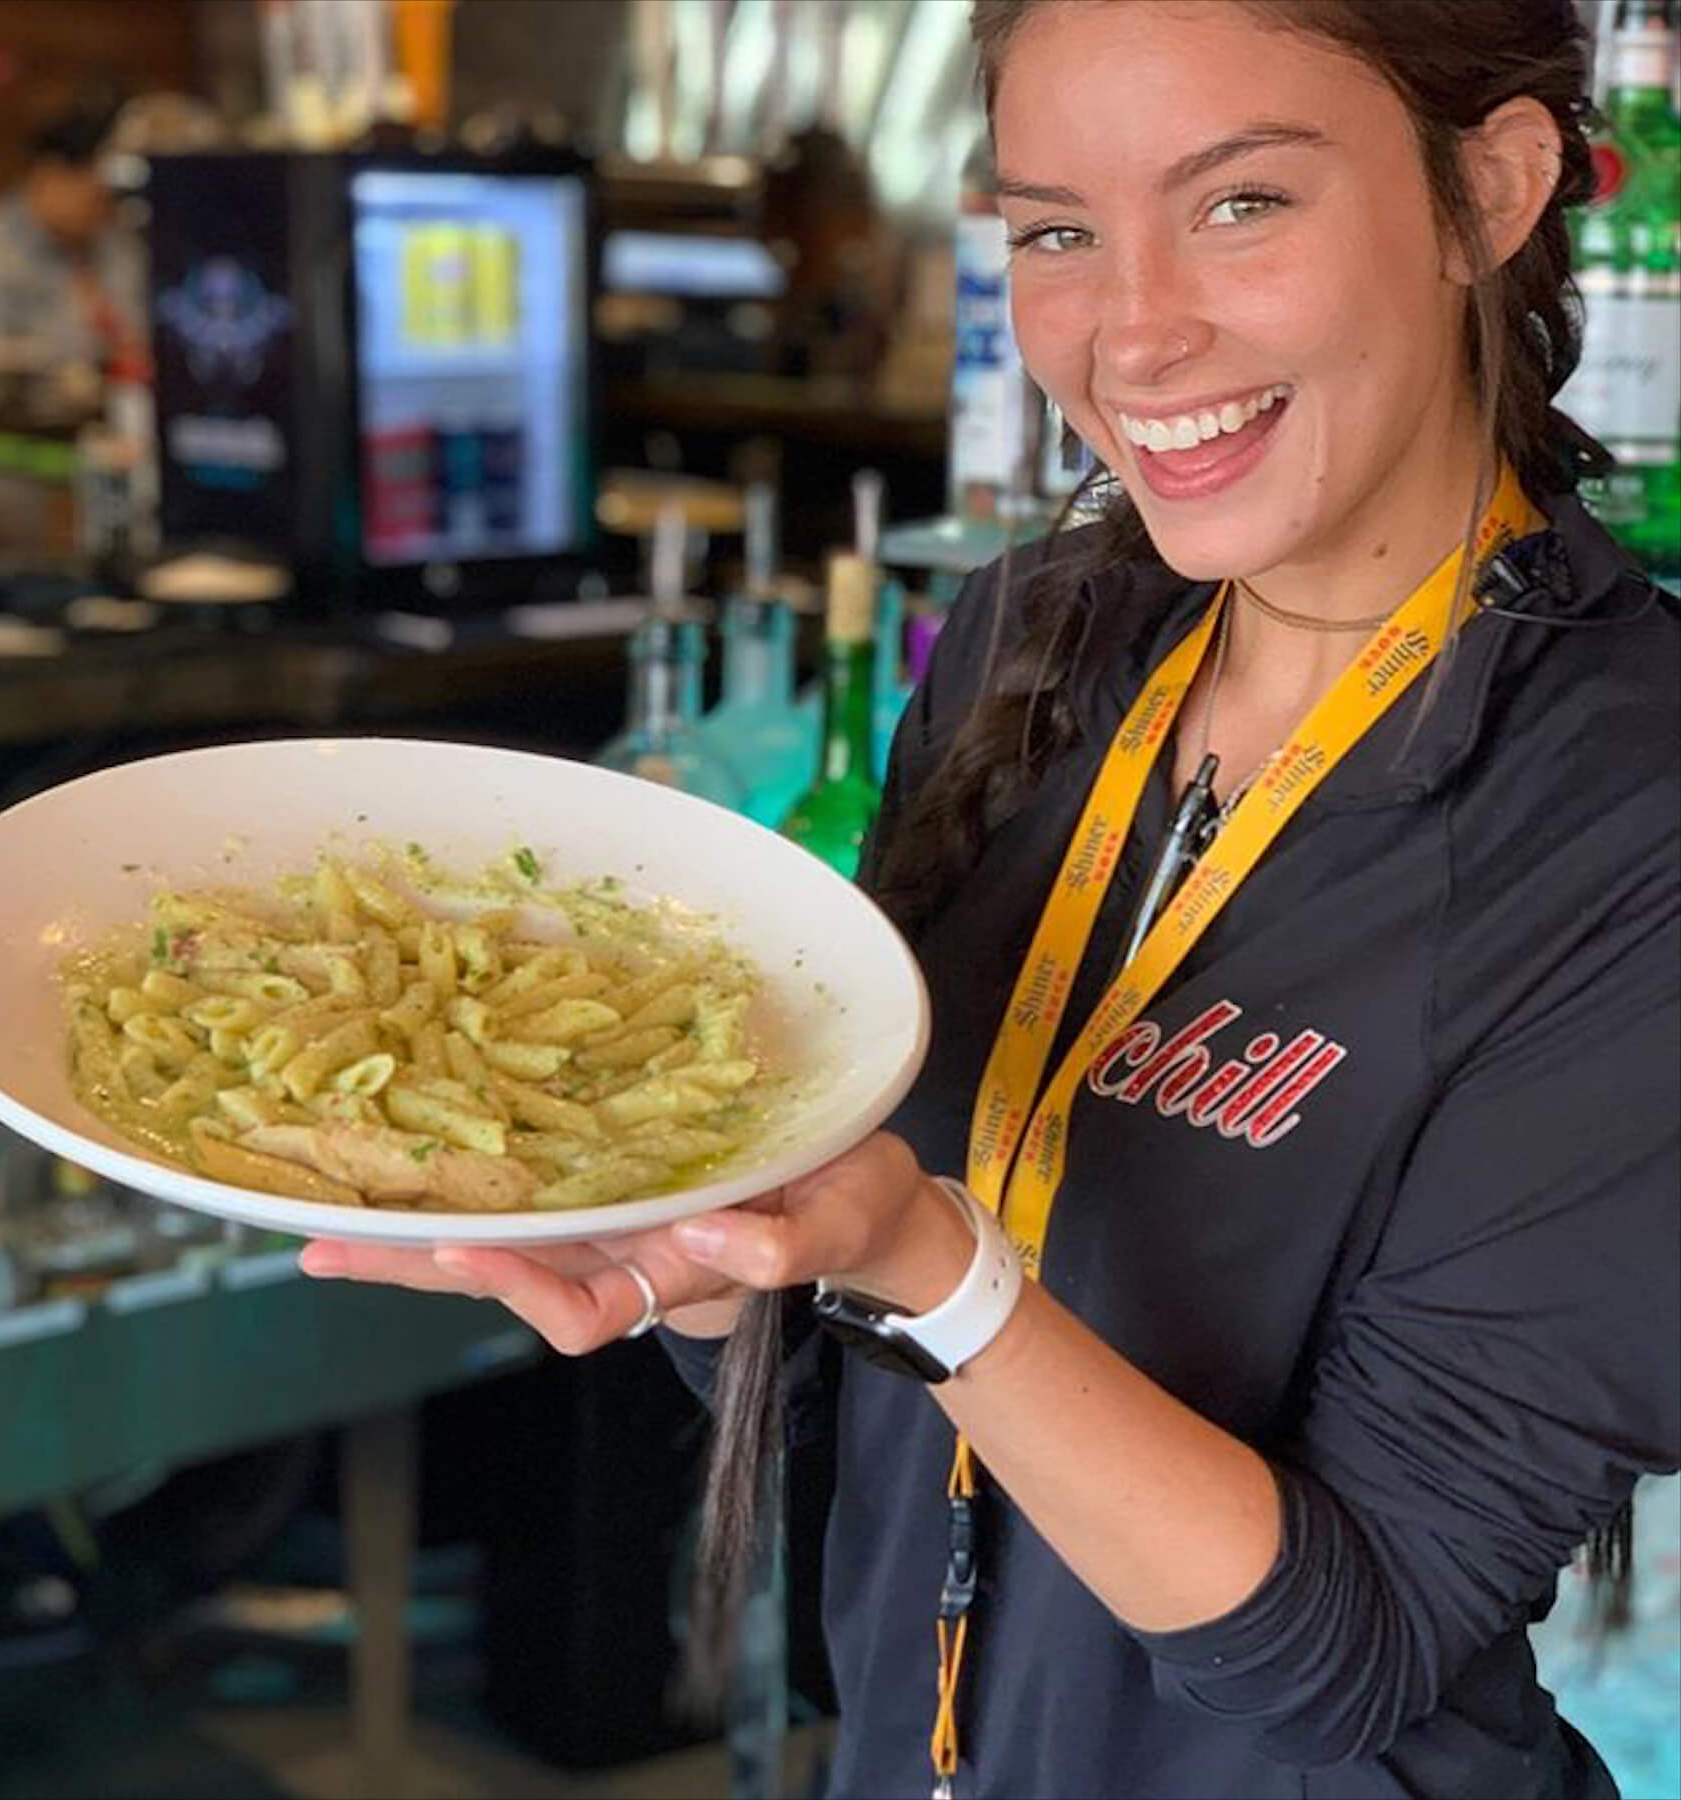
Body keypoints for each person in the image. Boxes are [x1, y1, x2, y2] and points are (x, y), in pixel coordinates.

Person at [298, 3, 1681, 1795]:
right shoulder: (1038, 645)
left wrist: (932, 1270)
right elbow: (860, 1384)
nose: (1129, 330)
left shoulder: (1625, 811)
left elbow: (1354, 1649)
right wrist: (710, 1257)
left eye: (1242, 203)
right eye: (1053, 231)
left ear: (1485, 189)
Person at [0, 98, 142, 364]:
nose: (106, 204)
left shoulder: (116, 246)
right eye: (95, 192)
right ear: (47, 174)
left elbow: (145, 342)